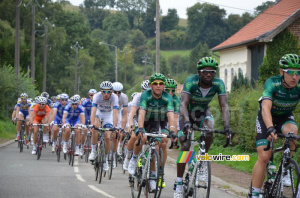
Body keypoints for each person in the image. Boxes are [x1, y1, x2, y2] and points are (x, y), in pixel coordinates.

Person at [174, 57, 230, 198]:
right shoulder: (191, 81)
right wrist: (187, 122)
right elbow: (183, 104)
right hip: (186, 114)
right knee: (185, 145)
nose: (209, 74)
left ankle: (202, 161)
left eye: (212, 72)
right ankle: (179, 184)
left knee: (209, 130)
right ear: (199, 72)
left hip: (203, 112)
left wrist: (227, 127)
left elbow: (224, 106)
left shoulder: (218, 84)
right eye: (205, 71)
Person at [251, 54, 300, 198]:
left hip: (285, 117)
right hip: (266, 117)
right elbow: (265, 107)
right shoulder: (272, 83)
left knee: (292, 132)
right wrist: (270, 128)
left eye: (298, 73)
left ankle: (286, 168)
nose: (295, 77)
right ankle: (255, 194)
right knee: (264, 156)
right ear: (281, 72)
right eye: (290, 72)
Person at [127, 73, 176, 192]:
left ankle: (153, 178)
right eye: (155, 83)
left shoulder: (167, 97)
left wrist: (173, 130)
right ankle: (133, 159)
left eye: (161, 84)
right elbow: (142, 112)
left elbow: (170, 115)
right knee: (141, 138)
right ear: (151, 85)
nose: (158, 86)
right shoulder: (145, 95)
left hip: (156, 122)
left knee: (156, 146)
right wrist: (139, 128)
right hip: (145, 120)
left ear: (164, 86)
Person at [89, 81, 119, 171]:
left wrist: (114, 126)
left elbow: (115, 113)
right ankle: (93, 151)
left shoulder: (115, 97)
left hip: (108, 115)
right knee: (95, 128)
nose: (106, 94)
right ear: (101, 91)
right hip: (99, 113)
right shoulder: (96, 96)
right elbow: (93, 111)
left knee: (107, 136)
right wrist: (92, 124)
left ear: (111, 92)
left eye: (108, 92)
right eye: (104, 92)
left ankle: (105, 159)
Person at [123, 80, 150, 171]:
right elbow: (132, 113)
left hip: (148, 120)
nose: (145, 93)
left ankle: (144, 155)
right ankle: (128, 158)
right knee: (135, 136)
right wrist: (130, 124)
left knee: (149, 139)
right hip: (136, 118)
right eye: (143, 91)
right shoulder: (138, 97)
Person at [112, 82, 128, 156]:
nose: (117, 94)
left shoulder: (124, 97)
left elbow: (125, 114)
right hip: (108, 112)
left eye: (119, 92)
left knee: (119, 132)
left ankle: (119, 145)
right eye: (115, 92)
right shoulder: (107, 96)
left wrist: (122, 127)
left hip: (118, 113)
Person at [81, 89, 97, 156]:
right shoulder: (86, 101)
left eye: (94, 95)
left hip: (95, 116)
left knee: (95, 130)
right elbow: (82, 110)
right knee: (84, 130)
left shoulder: (98, 101)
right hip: (87, 115)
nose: (92, 96)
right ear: (89, 95)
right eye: (91, 95)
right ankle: (81, 146)